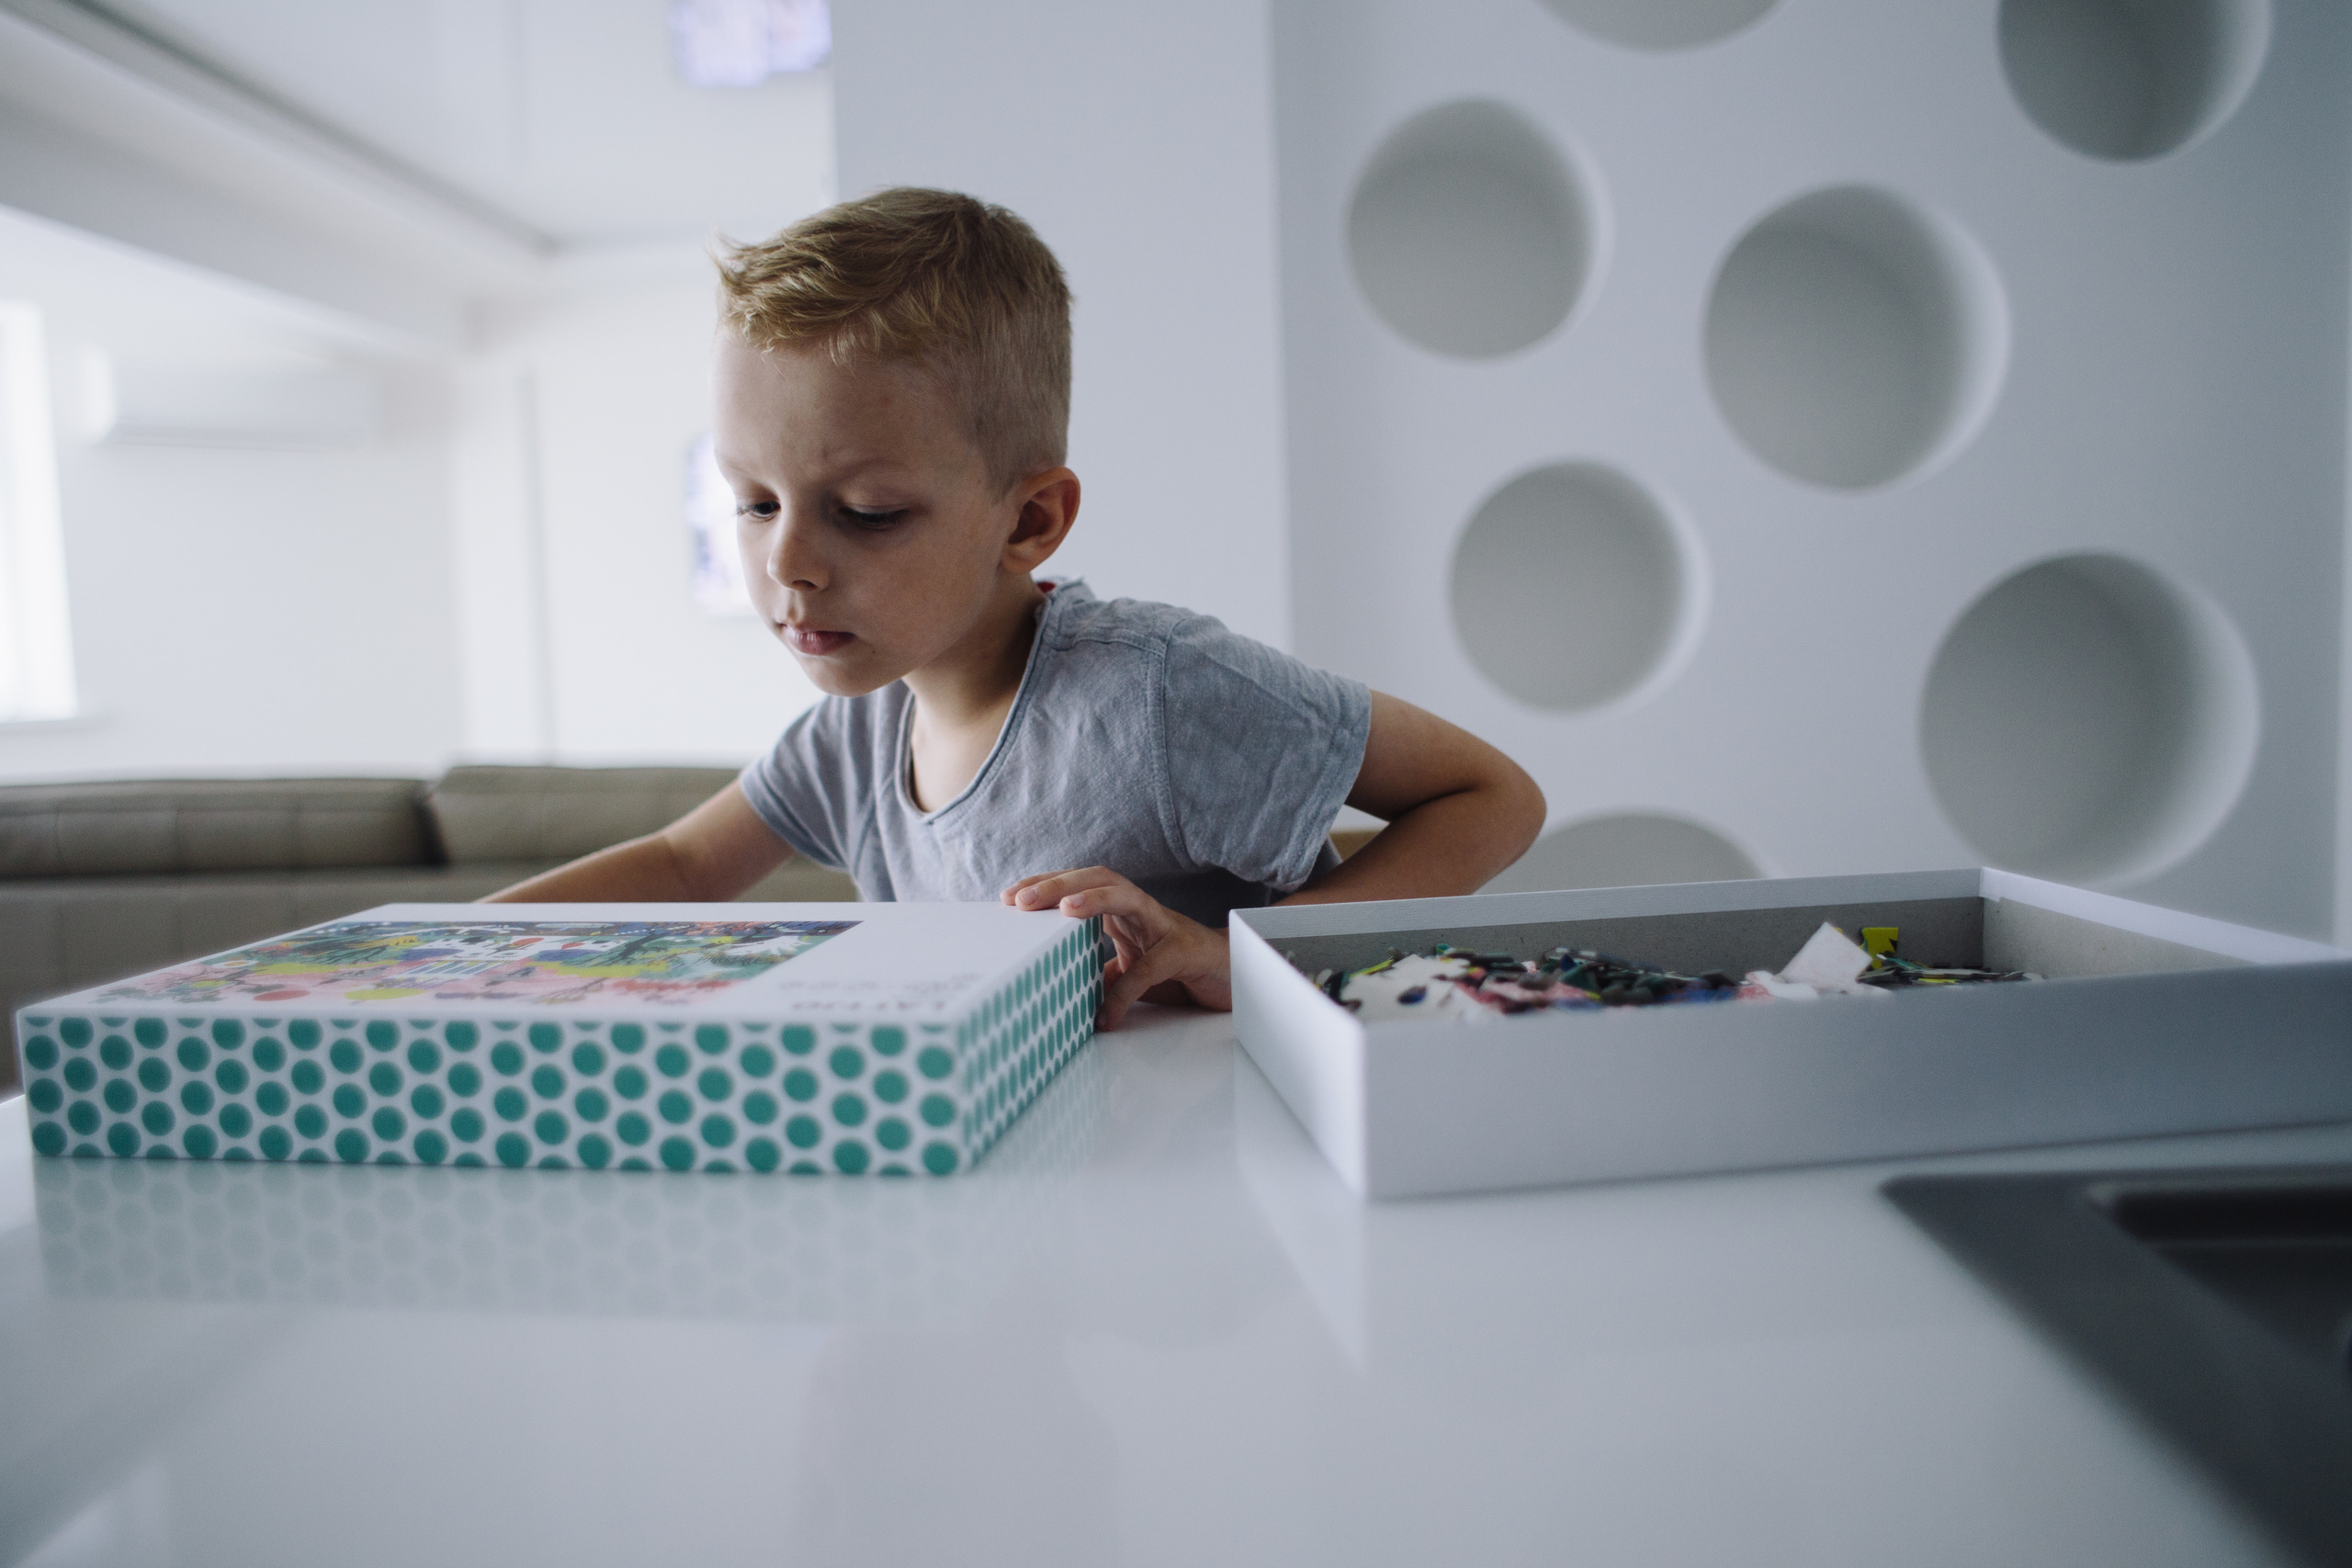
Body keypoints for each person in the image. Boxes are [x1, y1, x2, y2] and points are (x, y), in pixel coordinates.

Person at [487, 187, 1544, 1026]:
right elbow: (680, 867)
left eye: (866, 512)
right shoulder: (846, 740)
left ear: (1030, 519)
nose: (789, 562)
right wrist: (399, 950)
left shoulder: (1155, 692)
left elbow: (1490, 797)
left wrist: (1242, 960)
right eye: (756, 502)